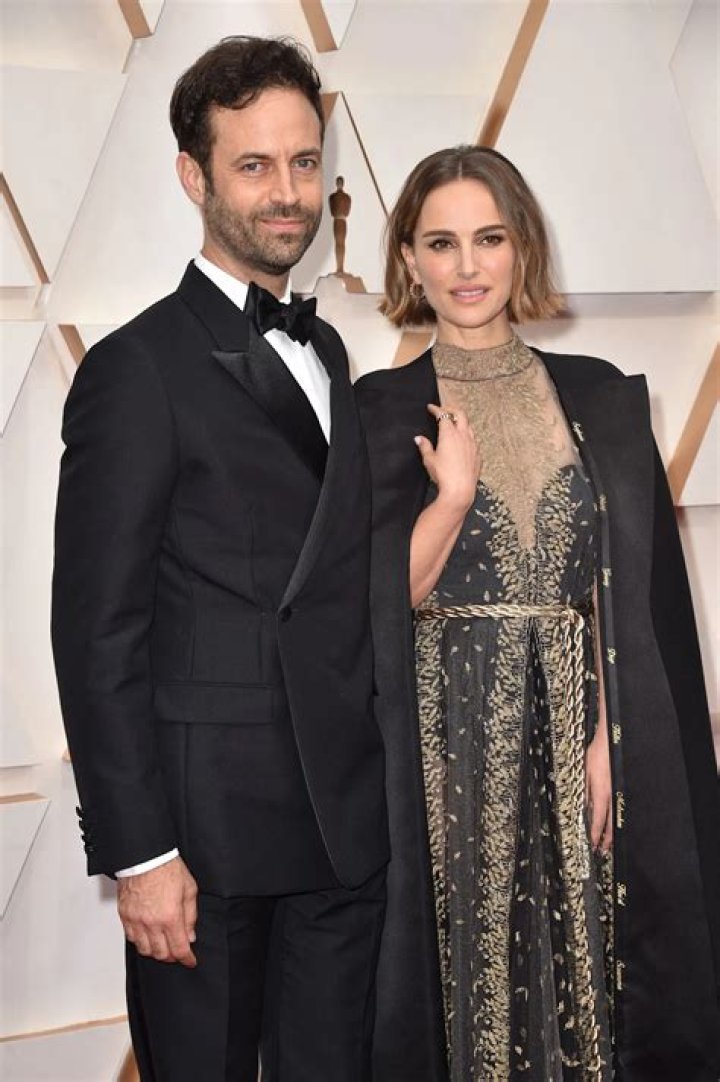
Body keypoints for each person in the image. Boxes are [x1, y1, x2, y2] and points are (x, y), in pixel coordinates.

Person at [51, 36, 389, 1082]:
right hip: (205, 846)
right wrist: (142, 851)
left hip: (343, 830)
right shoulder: (134, 369)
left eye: (303, 162)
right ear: (194, 178)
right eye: (254, 165)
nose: (287, 193)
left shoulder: (330, 351)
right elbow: (97, 630)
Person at [355, 145, 720, 1080]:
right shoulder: (376, 410)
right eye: (441, 243)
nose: (467, 266)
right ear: (409, 261)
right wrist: (449, 501)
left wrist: (610, 738)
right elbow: (365, 611)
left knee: (592, 962)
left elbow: (625, 596)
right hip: (443, 740)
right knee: (460, 967)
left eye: (489, 238)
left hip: (577, 731)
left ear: (522, 248)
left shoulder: (599, 394)